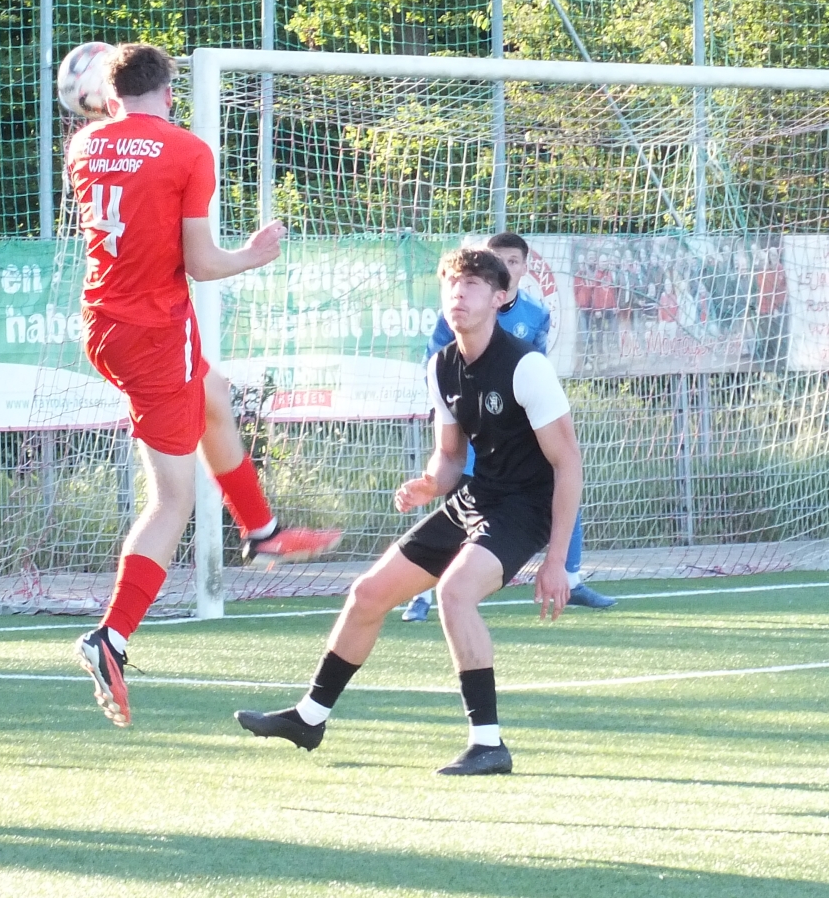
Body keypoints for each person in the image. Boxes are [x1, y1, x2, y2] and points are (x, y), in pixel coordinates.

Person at [69, 43, 341, 726]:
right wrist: (254, 253)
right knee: (173, 500)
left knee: (214, 396)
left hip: (103, 323)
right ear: (170, 92)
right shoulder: (187, 150)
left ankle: (262, 530)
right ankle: (111, 637)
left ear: (111, 94)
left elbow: (121, 153)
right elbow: (201, 262)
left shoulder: (84, 145)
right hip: (155, 334)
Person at [235, 245, 583, 775]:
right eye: (451, 284)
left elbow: (568, 464)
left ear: (500, 297)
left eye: (472, 285)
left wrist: (556, 561)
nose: (458, 294)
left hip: (526, 508)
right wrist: (429, 484)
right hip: (476, 497)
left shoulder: (526, 367)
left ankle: (488, 744)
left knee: (454, 593)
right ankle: (309, 718)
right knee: (368, 594)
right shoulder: (442, 366)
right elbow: (450, 457)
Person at [401, 232, 613, 620]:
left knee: (558, 484)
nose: (506, 267)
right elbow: (445, 369)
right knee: (454, 505)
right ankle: (422, 593)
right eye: (498, 260)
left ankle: (568, 574)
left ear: (522, 269)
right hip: (473, 430)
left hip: (514, 436)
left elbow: (535, 369)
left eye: (513, 261)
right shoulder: (457, 316)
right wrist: (432, 480)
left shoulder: (534, 317)